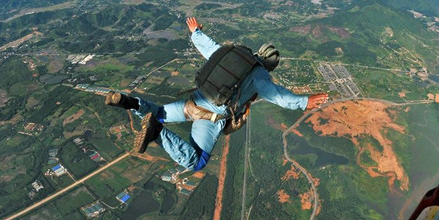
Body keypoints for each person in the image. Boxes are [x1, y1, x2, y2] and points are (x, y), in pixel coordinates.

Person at [105, 17, 329, 171]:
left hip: (195, 100)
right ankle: (157, 132)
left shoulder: (236, 57)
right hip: (210, 117)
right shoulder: (260, 76)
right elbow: (279, 95)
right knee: (196, 162)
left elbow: (210, 48)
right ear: (270, 66)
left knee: (159, 112)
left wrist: (196, 32)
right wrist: (304, 102)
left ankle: (128, 102)